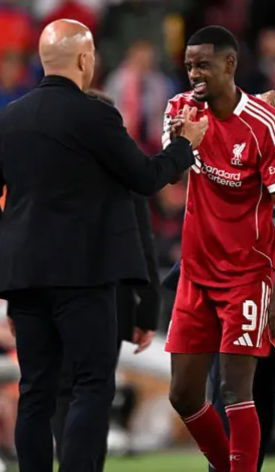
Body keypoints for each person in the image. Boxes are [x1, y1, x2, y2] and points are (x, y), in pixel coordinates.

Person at [0, 19, 207, 472]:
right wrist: (184, 146)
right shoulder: (94, 116)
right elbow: (145, 178)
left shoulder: (10, 118)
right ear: (84, 59)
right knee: (92, 384)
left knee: (36, 389)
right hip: (83, 274)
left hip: (25, 275)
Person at [162, 26, 275, 472]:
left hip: (247, 276)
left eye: (203, 65)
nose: (194, 75)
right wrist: (185, 142)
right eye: (189, 66)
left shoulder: (265, 124)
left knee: (235, 391)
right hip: (195, 274)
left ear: (230, 64)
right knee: (183, 394)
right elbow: (169, 178)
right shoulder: (180, 109)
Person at [50, 89, 162, 472]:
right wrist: (147, 310)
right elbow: (143, 243)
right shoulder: (125, 171)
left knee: (66, 388)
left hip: (58, 289)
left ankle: (72, 463)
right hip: (112, 295)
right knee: (96, 387)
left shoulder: (56, 169)